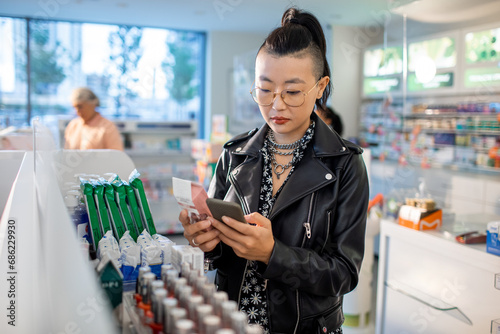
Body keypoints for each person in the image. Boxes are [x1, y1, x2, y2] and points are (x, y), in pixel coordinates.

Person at [180, 7, 369, 333]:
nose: (277, 105)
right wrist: (208, 242)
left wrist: (273, 253)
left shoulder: (345, 165)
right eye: (264, 89)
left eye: (293, 92)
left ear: (320, 87)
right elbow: (222, 254)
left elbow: (344, 273)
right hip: (233, 320)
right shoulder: (235, 154)